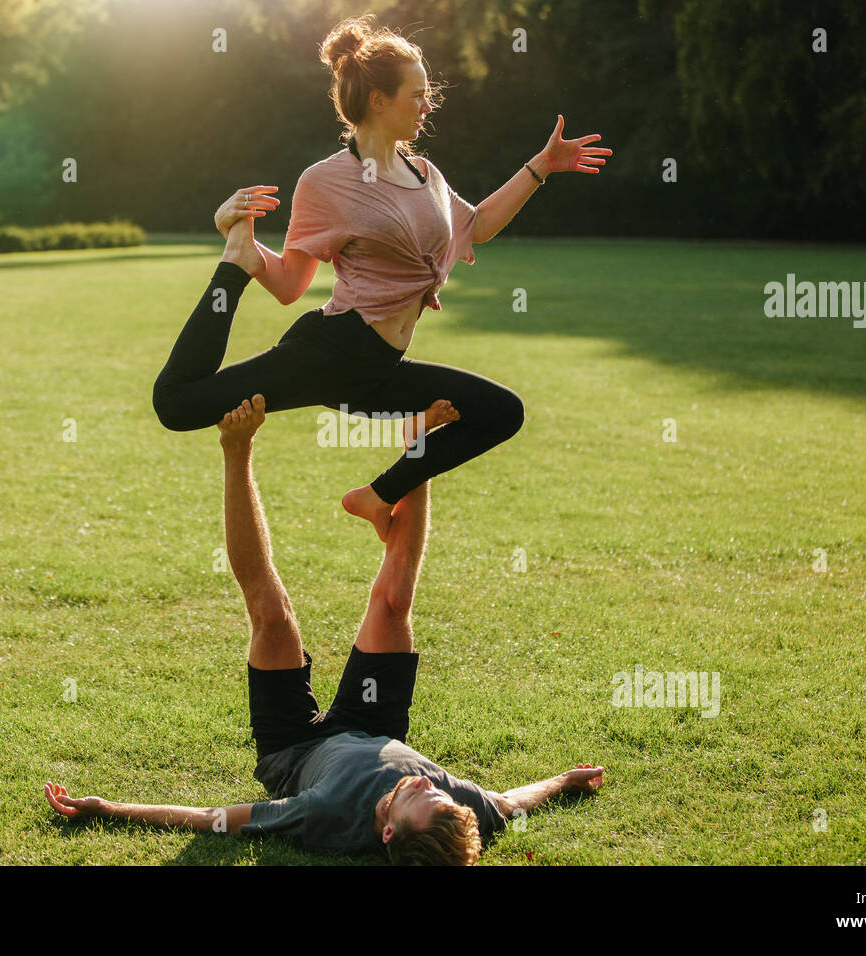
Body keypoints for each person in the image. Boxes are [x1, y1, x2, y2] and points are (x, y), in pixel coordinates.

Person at [46, 394, 604, 864]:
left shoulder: (327, 813)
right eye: (435, 791)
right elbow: (510, 802)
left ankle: (235, 450)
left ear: (387, 832)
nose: (427, 784)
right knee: (394, 604)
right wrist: (565, 782)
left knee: (272, 615)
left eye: (420, 798)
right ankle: (417, 448)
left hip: (295, 746)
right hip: (371, 722)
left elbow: (211, 818)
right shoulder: (459, 808)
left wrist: (108, 809)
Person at [152, 13, 611, 541]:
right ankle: (234, 262)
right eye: (416, 94)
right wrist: (250, 254)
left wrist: (541, 167)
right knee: (178, 404)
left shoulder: (426, 175)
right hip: (332, 353)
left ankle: (375, 496)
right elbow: (289, 286)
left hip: (381, 371)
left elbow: (478, 225)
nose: (427, 105)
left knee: (501, 412)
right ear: (378, 101)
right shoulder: (326, 182)